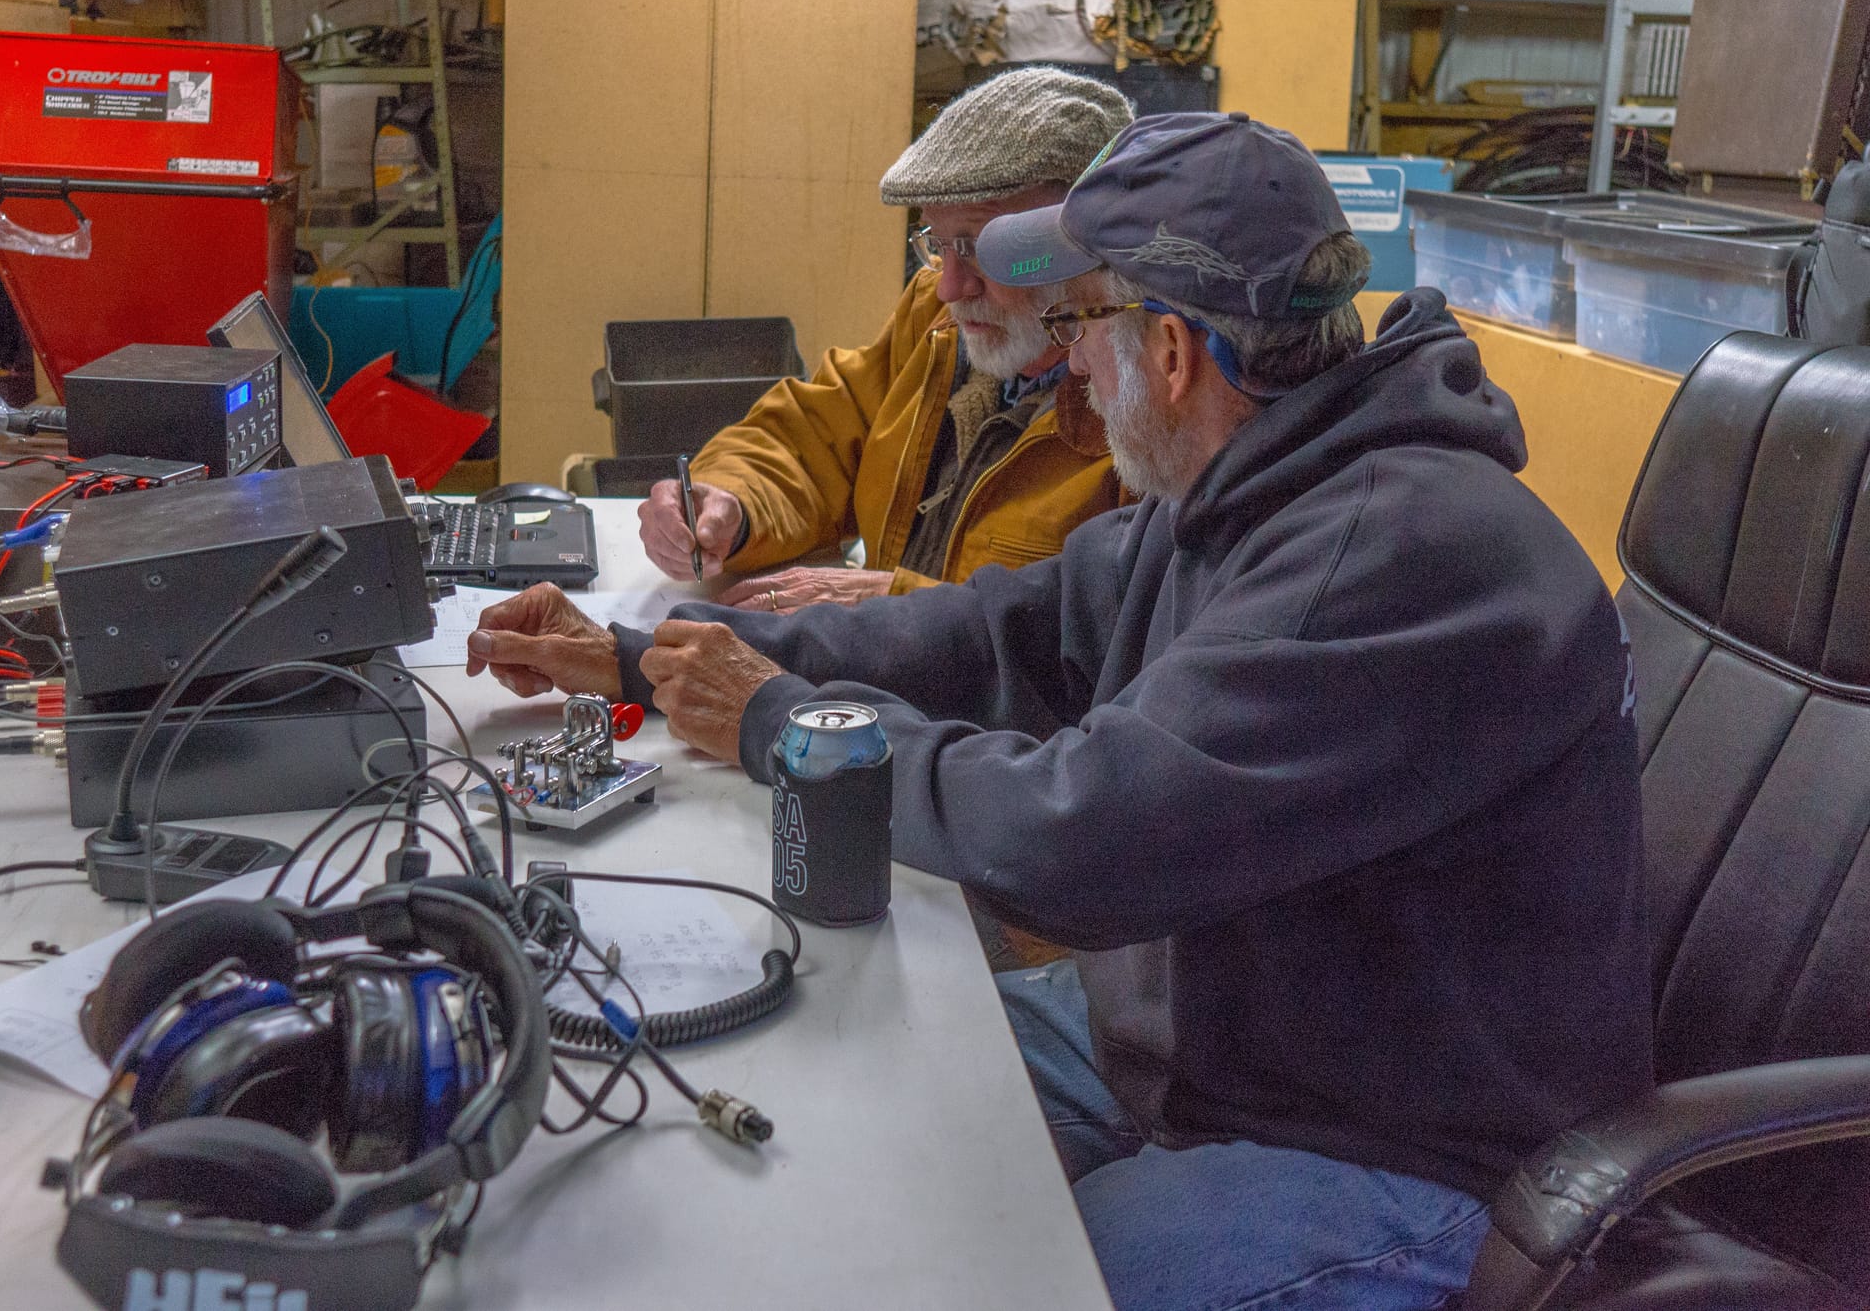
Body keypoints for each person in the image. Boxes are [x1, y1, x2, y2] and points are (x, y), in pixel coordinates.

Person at [466, 112, 1654, 1310]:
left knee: (989, 1280)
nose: (1068, 365)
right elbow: (993, 631)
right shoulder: (1246, 490)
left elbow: (1078, 835)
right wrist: (648, 657)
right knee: (850, 1093)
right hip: (1215, 1041)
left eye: (1084, 322)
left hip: (1391, 1145)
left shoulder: (1387, 553)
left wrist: (780, 723)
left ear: (1175, 352)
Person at [636, 66, 1131, 614]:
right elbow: (814, 438)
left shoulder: (1146, 389)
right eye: (938, 244)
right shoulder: (935, 319)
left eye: (982, 248)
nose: (949, 286)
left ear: (1082, 240)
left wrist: (891, 606)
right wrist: (734, 503)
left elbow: (1105, 630)